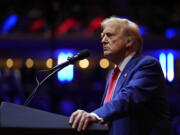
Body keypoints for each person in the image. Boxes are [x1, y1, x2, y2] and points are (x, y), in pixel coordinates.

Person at [69, 16, 172, 135]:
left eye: (109, 35)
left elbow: (128, 98)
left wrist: (95, 115)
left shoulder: (148, 65)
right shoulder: (112, 74)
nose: (103, 40)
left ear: (129, 41)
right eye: (102, 36)